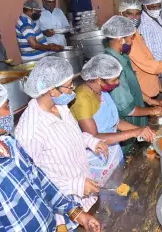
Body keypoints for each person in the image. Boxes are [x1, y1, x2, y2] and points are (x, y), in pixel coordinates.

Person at [0, 79, 101, 232]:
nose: (11, 111)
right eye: (6, 106)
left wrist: (76, 213)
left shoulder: (9, 143)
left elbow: (41, 181)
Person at [15, 56, 107, 230]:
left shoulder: (61, 107)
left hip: (85, 197)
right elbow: (32, 178)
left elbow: (73, 135)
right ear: (51, 90)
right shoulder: (30, 129)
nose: (73, 90)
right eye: (68, 86)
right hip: (62, 209)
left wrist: (92, 142)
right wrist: (76, 185)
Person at [70, 54, 157, 185]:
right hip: (95, 159)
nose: (118, 82)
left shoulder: (101, 91)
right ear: (99, 80)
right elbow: (94, 137)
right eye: (114, 80)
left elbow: (116, 122)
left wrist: (141, 130)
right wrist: (133, 133)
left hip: (113, 153)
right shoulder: (82, 98)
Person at [102, 16, 162, 153]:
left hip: (138, 121)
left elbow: (133, 86)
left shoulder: (123, 57)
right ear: (121, 40)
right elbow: (127, 109)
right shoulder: (113, 66)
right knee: (134, 156)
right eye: (131, 38)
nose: (131, 42)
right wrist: (152, 111)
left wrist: (150, 100)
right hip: (127, 125)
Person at [120, 0, 162, 98]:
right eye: (130, 14)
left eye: (138, 14)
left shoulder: (134, 32)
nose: (134, 18)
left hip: (150, 83)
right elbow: (147, 63)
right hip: (141, 88)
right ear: (121, 13)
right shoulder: (126, 37)